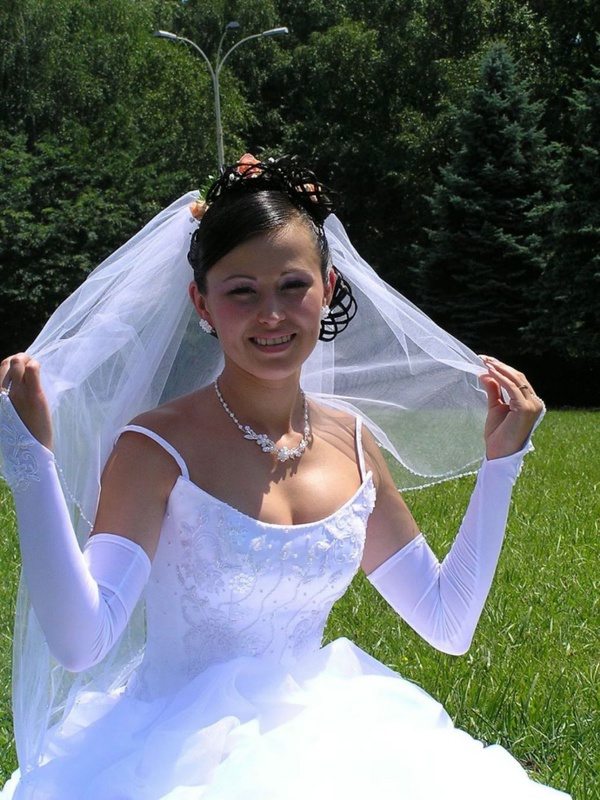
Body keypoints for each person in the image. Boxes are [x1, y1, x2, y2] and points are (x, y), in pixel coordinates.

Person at [0, 155, 568, 799]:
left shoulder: (353, 445)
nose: (271, 313)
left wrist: (500, 465)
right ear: (202, 303)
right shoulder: (156, 448)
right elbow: (82, 642)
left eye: (293, 285)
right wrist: (30, 464)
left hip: (326, 736)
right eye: (241, 291)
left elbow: (448, 621)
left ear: (327, 287)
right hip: (175, 756)